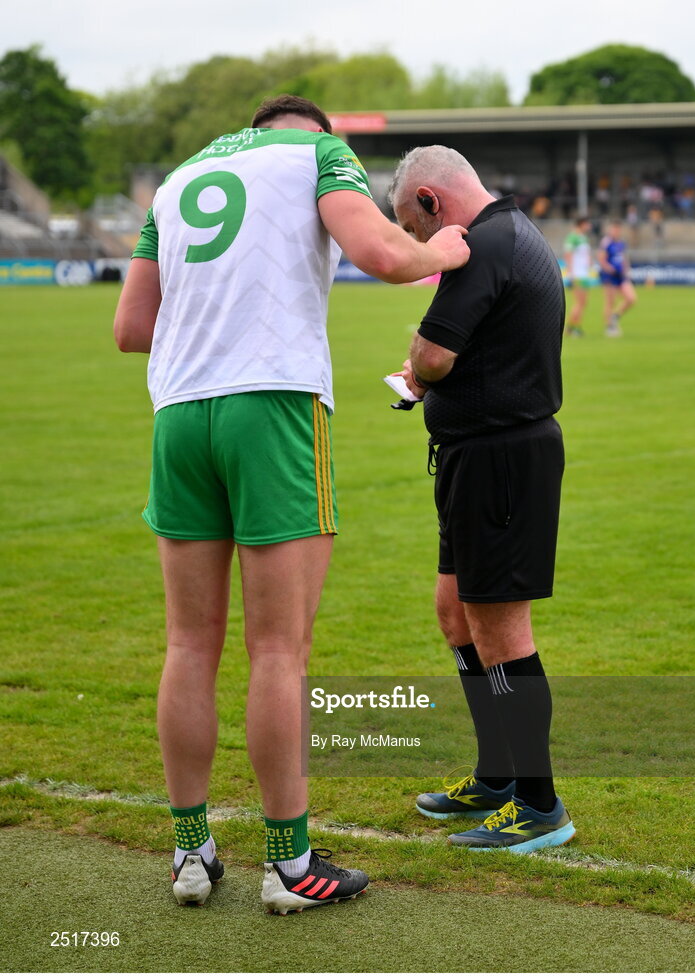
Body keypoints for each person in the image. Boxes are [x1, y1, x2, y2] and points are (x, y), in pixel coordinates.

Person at [113, 96, 469, 914]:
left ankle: (190, 852)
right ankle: (287, 863)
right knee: (279, 649)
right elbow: (381, 253)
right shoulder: (317, 157)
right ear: (315, 134)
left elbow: (132, 326)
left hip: (179, 414)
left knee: (187, 644)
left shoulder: (178, 178)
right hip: (269, 406)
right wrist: (444, 246)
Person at [388, 145, 575, 854]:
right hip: (479, 454)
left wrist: (415, 373)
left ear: (433, 203)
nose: (419, 245)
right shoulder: (507, 233)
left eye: (413, 227)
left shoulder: (484, 244)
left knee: (501, 632)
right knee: (455, 614)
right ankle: (497, 776)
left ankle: (539, 803)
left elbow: (433, 355)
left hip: (500, 459)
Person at [597, 219, 637, 337]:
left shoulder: (621, 243)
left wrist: (626, 270)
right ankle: (609, 327)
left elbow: (624, 258)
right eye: (614, 229)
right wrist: (609, 269)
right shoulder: (606, 242)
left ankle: (615, 316)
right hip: (610, 276)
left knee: (631, 298)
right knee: (610, 302)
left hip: (621, 275)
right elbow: (601, 259)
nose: (616, 231)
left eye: (618, 229)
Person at [563, 217, 593, 337]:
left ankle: (572, 327)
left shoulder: (583, 237)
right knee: (579, 302)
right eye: (587, 224)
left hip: (584, 274)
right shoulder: (573, 237)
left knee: (583, 302)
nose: (589, 226)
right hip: (577, 274)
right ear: (582, 224)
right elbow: (568, 255)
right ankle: (573, 328)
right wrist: (570, 273)